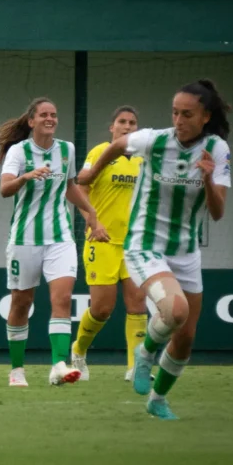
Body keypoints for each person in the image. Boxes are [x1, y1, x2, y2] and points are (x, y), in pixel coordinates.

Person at [77, 79, 231, 420]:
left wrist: (206, 178)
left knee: (185, 338)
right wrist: (91, 174)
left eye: (187, 114)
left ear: (206, 116)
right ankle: (145, 355)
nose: (178, 120)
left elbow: (218, 213)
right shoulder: (155, 139)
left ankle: (158, 399)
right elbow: (117, 145)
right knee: (175, 312)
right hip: (145, 244)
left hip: (186, 252)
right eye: (175, 112)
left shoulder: (216, 150)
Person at [0, 97, 107, 388]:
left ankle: (58, 364)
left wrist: (91, 214)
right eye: (44, 114)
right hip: (24, 239)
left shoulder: (66, 149)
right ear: (32, 121)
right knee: (22, 303)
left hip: (60, 238)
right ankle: (17, 370)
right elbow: (5, 189)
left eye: (54, 115)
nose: (50, 119)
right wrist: (26, 177)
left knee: (63, 299)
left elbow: (69, 186)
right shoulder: (19, 152)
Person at [70, 106, 149, 381]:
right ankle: (78, 350)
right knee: (102, 308)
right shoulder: (99, 153)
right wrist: (94, 223)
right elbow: (81, 189)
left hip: (134, 245)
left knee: (138, 303)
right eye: (122, 122)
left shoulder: (143, 160)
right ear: (112, 128)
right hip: (101, 240)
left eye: (132, 122)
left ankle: (135, 367)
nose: (127, 126)